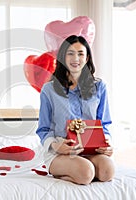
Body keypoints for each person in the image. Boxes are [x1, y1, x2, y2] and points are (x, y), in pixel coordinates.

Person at [36, 35, 115, 185]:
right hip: (60, 151)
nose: (75, 58)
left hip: (91, 150)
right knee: (85, 173)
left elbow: (104, 124)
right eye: (70, 53)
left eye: (80, 53)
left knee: (107, 170)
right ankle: (68, 173)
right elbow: (43, 129)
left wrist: (107, 143)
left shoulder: (100, 87)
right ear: (63, 57)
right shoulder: (49, 90)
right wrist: (57, 146)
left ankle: (86, 170)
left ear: (87, 58)